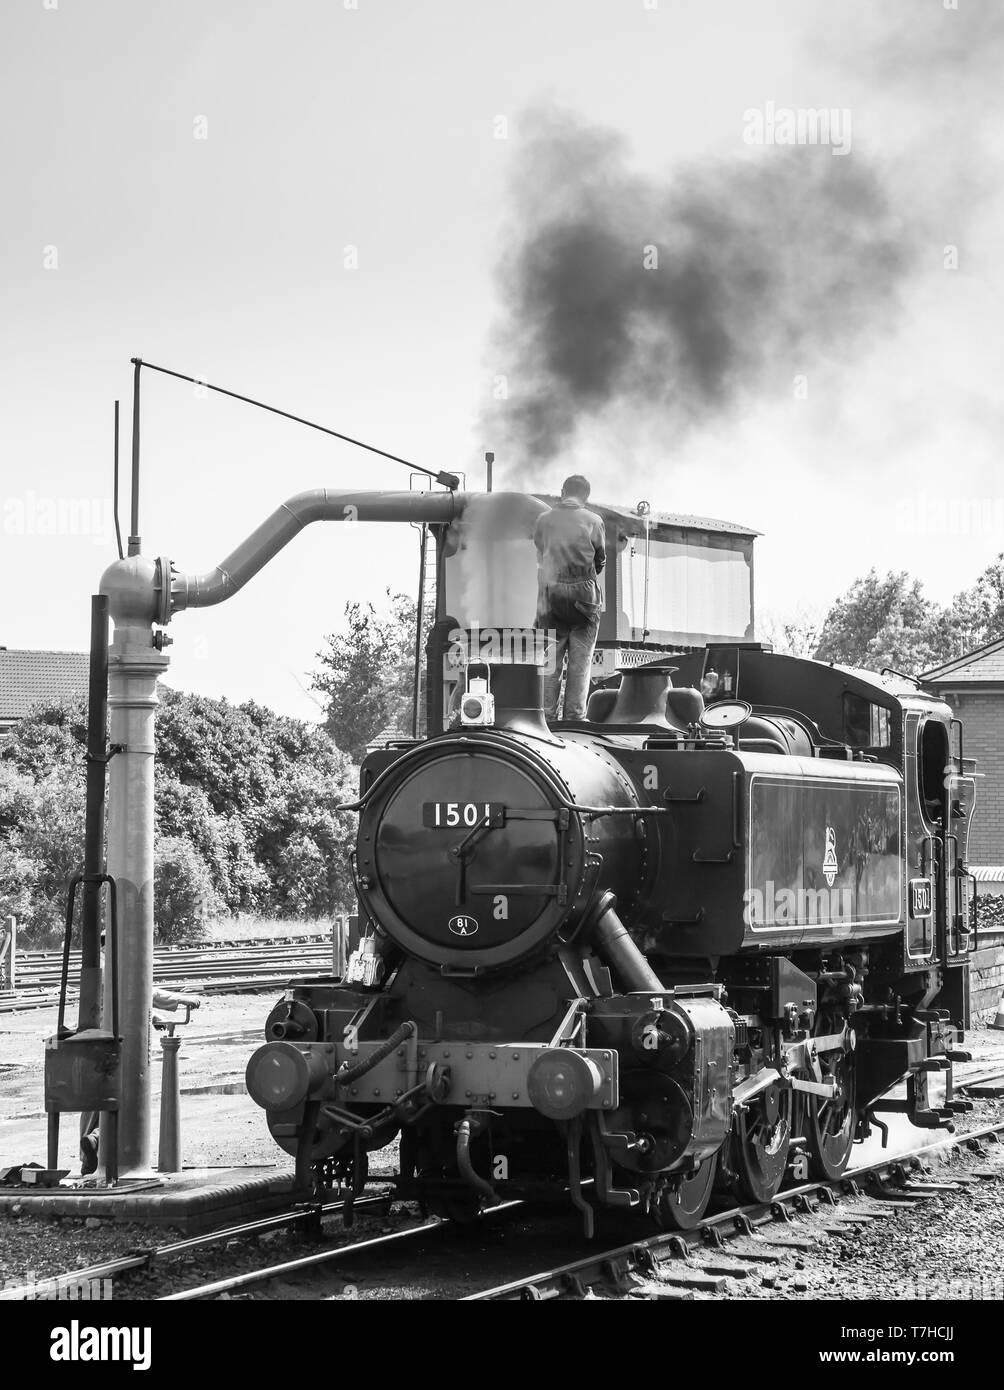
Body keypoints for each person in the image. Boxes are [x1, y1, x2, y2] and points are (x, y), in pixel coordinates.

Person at [534, 475, 606, 721]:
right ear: (586, 497)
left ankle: (546, 719)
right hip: (584, 598)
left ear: (563, 491)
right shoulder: (594, 521)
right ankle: (574, 718)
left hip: (552, 593)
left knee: (551, 662)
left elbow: (540, 552)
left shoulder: (544, 520)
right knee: (581, 661)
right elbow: (600, 561)